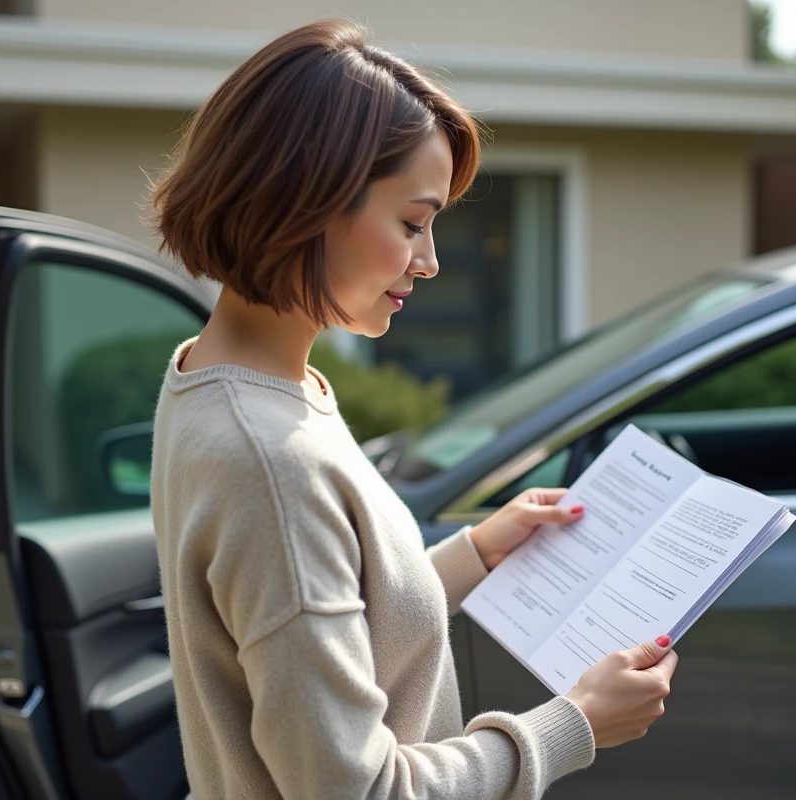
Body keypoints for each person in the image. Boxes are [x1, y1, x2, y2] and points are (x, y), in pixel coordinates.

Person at [148, 18, 678, 799]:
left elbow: (313, 618)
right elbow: (354, 789)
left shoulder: (223, 382)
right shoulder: (270, 456)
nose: (428, 261)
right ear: (308, 199)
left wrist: (476, 553)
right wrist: (573, 724)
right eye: (412, 223)